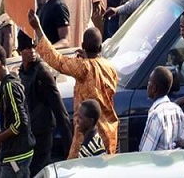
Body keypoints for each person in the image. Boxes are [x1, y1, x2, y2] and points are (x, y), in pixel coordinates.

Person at [28, 10, 119, 158]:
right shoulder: (110, 67)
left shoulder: (83, 68)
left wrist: (38, 28)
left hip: (88, 137)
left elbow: (57, 60)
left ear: (82, 46)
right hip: (109, 133)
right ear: (100, 48)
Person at [16, 31, 70, 173]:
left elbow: (61, 113)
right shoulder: (22, 71)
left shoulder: (43, 73)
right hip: (29, 134)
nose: (32, 51)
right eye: (27, 48)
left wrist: (70, 152)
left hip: (43, 134)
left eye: (34, 47)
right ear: (20, 51)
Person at [0, 44, 34, 176]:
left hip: (17, 156)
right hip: (14, 153)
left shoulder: (9, 87)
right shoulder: (6, 85)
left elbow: (21, 122)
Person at [140, 66, 184, 151]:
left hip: (160, 159)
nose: (147, 85)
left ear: (154, 88)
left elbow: (145, 152)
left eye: (149, 82)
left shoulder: (155, 115)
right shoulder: (177, 109)